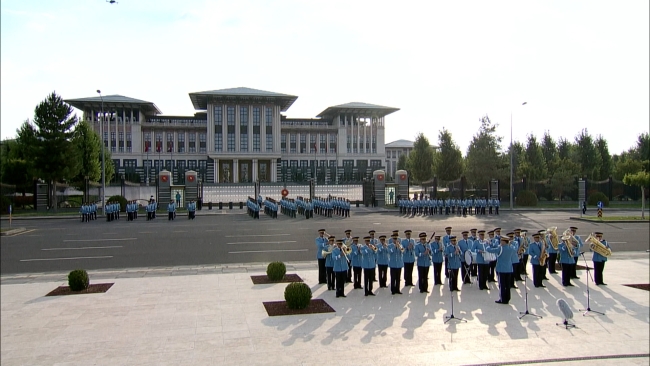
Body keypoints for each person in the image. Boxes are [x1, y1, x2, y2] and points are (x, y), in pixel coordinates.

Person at [486, 237, 518, 304]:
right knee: (507, 285)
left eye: (501, 241)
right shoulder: (511, 248)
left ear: (504, 242)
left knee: (502, 285)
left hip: (501, 269)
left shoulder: (500, 248)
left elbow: (489, 250)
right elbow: (515, 249)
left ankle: (502, 299)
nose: (500, 242)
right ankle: (507, 298)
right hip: (509, 268)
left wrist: (488, 244)